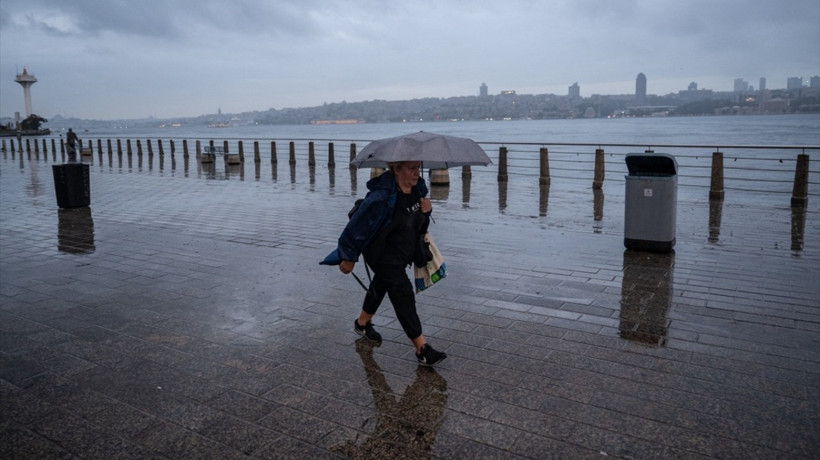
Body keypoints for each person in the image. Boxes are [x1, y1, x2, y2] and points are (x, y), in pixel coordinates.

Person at [321, 161, 447, 366]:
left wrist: (427, 210)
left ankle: (362, 324)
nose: (416, 173)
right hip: (381, 254)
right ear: (397, 169)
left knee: (381, 284)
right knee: (402, 292)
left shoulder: (419, 190)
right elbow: (357, 227)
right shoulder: (380, 197)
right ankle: (421, 348)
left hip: (403, 253)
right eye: (411, 168)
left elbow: (418, 225)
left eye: (417, 168)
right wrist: (348, 256)